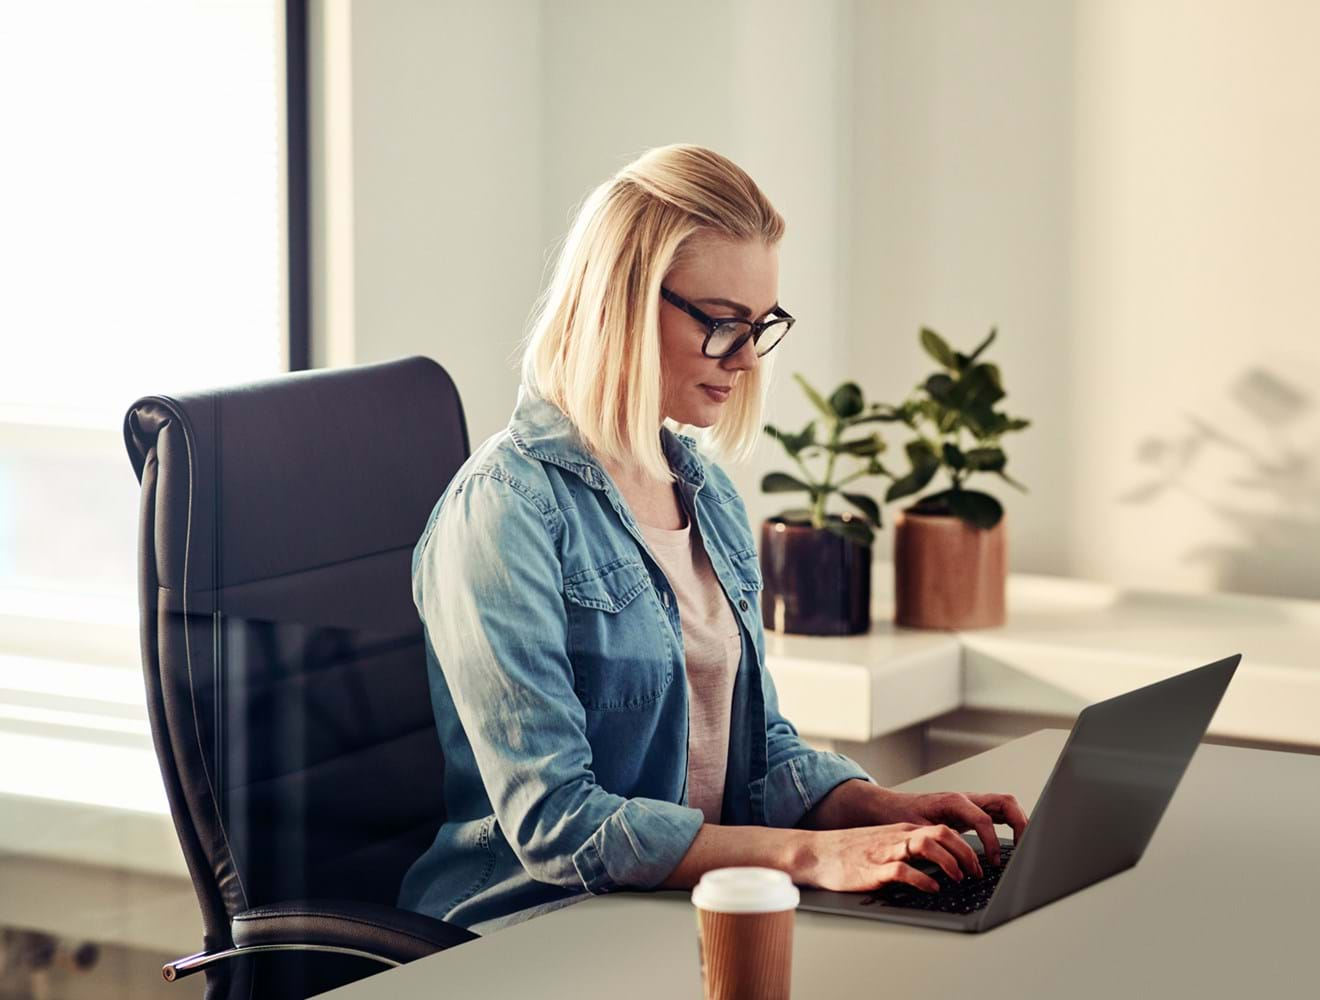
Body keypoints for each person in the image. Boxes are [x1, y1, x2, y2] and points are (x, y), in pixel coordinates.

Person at [397, 144, 1029, 933]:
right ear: (620, 302)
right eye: (724, 324)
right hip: (536, 927)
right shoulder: (504, 513)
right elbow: (559, 826)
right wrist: (808, 856)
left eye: (760, 326)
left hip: (681, 909)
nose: (745, 359)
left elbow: (753, 746)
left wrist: (875, 808)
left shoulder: (705, 492)